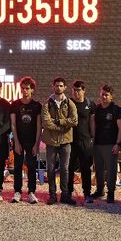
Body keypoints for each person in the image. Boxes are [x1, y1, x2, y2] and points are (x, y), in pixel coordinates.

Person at [42, 77, 78, 205]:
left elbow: (74, 121)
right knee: (50, 169)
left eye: (61, 86)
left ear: (65, 87)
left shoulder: (70, 103)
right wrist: (62, 126)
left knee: (65, 169)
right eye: (56, 86)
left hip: (66, 141)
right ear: (53, 87)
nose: (58, 88)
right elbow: (46, 122)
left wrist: (58, 121)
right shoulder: (47, 103)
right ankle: (52, 195)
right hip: (51, 142)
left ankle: (65, 195)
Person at [10, 76, 42, 204]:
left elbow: (39, 126)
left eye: (27, 88)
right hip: (19, 140)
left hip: (31, 141)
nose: (24, 90)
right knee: (17, 167)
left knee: (32, 167)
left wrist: (36, 144)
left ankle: (31, 192)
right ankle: (17, 192)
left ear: (32, 90)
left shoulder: (37, 105)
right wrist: (16, 142)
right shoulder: (15, 104)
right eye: (22, 88)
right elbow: (13, 124)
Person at [92, 84, 121, 203]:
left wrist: (118, 144)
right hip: (97, 144)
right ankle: (99, 190)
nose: (104, 97)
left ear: (112, 96)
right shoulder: (97, 109)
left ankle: (110, 192)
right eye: (102, 94)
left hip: (111, 144)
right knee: (99, 169)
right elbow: (94, 125)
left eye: (106, 95)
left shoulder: (116, 110)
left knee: (111, 170)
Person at [67, 80, 95, 203]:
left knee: (85, 168)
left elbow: (92, 122)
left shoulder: (89, 104)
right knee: (69, 168)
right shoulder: (68, 103)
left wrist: (93, 137)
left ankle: (87, 193)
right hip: (70, 140)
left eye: (78, 90)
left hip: (85, 141)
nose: (76, 93)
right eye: (74, 90)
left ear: (83, 90)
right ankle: (68, 192)